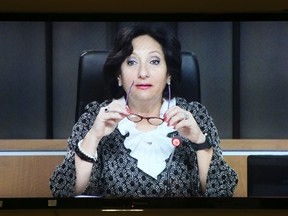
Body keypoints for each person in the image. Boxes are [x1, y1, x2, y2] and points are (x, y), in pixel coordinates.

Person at [50, 23, 238, 198]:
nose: (143, 73)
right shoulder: (95, 116)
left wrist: (199, 142)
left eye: (154, 61)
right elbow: (62, 191)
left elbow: (222, 193)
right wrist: (93, 137)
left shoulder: (195, 116)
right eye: (132, 62)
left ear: (169, 74)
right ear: (119, 76)